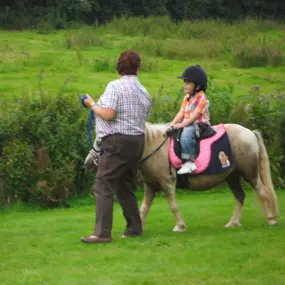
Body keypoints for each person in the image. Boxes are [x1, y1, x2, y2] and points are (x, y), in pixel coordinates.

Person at [80, 51, 151, 243]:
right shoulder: (143, 91)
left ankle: (102, 233)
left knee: (103, 184)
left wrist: (92, 104)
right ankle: (135, 228)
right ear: (138, 68)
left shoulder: (115, 86)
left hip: (117, 143)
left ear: (119, 67)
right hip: (137, 142)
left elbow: (109, 113)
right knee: (124, 185)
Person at [171, 65, 210, 175]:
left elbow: (195, 117)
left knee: (187, 133)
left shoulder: (203, 99)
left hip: (199, 124)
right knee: (174, 129)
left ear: (197, 86)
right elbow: (181, 112)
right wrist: (172, 124)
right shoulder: (187, 97)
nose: (185, 85)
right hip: (188, 123)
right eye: (184, 82)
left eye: (188, 83)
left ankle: (189, 162)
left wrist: (182, 125)